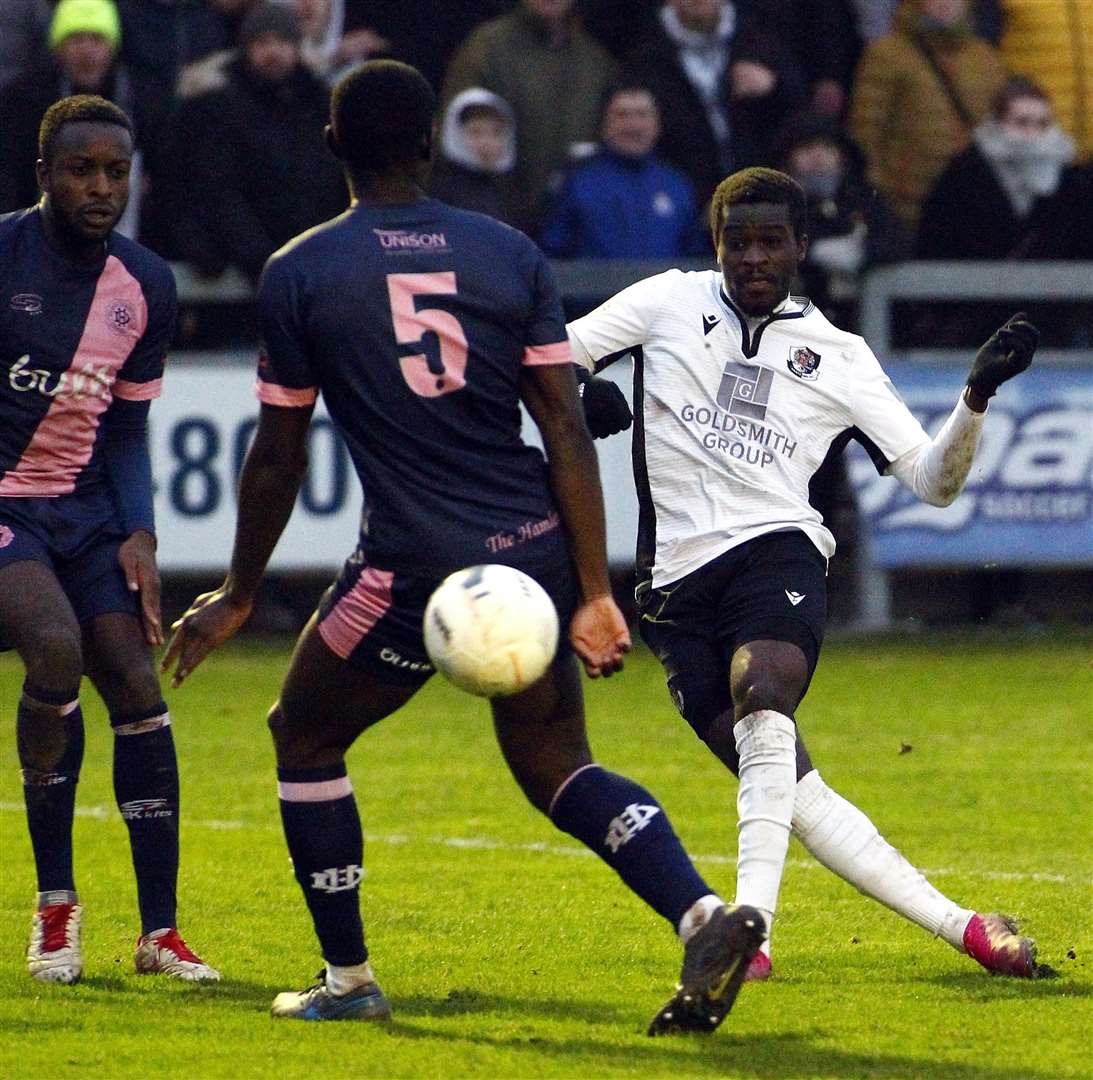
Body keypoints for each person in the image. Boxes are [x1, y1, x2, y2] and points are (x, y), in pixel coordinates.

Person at [162, 59, 765, 1033]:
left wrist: (238, 589)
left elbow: (276, 458)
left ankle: (350, 979)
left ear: (331, 149)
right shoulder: (505, 254)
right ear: (430, 143)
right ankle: (698, 910)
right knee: (557, 763)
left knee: (303, 734)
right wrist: (592, 589)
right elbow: (565, 428)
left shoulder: (303, 269)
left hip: (411, 568)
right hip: (527, 552)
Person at [566, 166, 1041, 983]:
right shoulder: (666, 302)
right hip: (673, 590)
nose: (752, 257)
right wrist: (579, 396)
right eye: (736, 241)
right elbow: (549, 356)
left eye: (769, 241)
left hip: (775, 552)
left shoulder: (840, 356)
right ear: (714, 244)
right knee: (792, 789)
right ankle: (964, 929)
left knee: (765, 696)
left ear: (800, 247)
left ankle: (747, 929)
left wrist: (973, 398)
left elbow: (931, 481)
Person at [0, 95, 218, 985]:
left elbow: (126, 431)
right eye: (83, 170)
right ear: (44, 173)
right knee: (54, 652)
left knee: (134, 679)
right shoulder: (4, 254)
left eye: (116, 172)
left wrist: (141, 533)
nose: (101, 187)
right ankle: (56, 913)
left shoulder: (147, 285)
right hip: (7, 505)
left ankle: (158, 934)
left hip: (89, 514)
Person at [165, 3, 346, 281]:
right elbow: (220, 194)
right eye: (262, 42)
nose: (273, 51)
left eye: (282, 41)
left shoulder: (322, 107)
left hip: (315, 265)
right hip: (251, 271)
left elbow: (331, 186)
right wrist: (263, 262)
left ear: (296, 47)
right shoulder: (219, 109)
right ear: (247, 48)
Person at [441, 0, 618, 232]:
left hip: (570, 225)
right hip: (494, 216)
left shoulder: (594, 60)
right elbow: (456, 132)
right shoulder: (486, 48)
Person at [848, 0, 1007, 235]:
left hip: (970, 203)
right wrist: (878, 191)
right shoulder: (887, 55)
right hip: (905, 203)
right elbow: (866, 133)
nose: (945, 4)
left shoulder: (986, 59)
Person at [918, 76, 1092, 261]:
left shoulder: (1071, 185)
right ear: (997, 125)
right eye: (1021, 122)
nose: (1032, 134)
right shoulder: (962, 180)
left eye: (1042, 124)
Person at [539, 83, 708, 259]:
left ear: (657, 124)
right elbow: (552, 255)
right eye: (622, 115)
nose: (633, 126)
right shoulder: (576, 183)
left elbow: (695, 257)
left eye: (642, 115)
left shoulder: (677, 185)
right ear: (604, 124)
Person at [429, 87, 519, 227]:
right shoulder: (443, 192)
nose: (486, 143)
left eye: (496, 133)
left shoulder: (503, 193)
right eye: (475, 132)